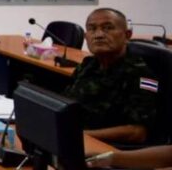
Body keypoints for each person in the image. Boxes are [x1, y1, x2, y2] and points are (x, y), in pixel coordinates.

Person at [63, 8, 156, 144]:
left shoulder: (141, 75)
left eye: (108, 28)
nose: (99, 35)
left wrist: (78, 135)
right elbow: (67, 101)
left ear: (127, 35)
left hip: (106, 147)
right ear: (86, 36)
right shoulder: (88, 64)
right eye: (92, 29)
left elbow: (137, 132)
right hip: (73, 136)